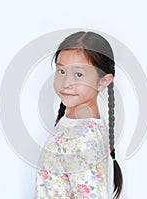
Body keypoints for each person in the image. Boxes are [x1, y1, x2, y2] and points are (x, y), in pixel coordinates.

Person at [35, 31, 123, 199]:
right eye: (61, 71)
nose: (66, 83)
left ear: (103, 81)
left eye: (79, 74)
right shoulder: (73, 125)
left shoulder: (83, 140)